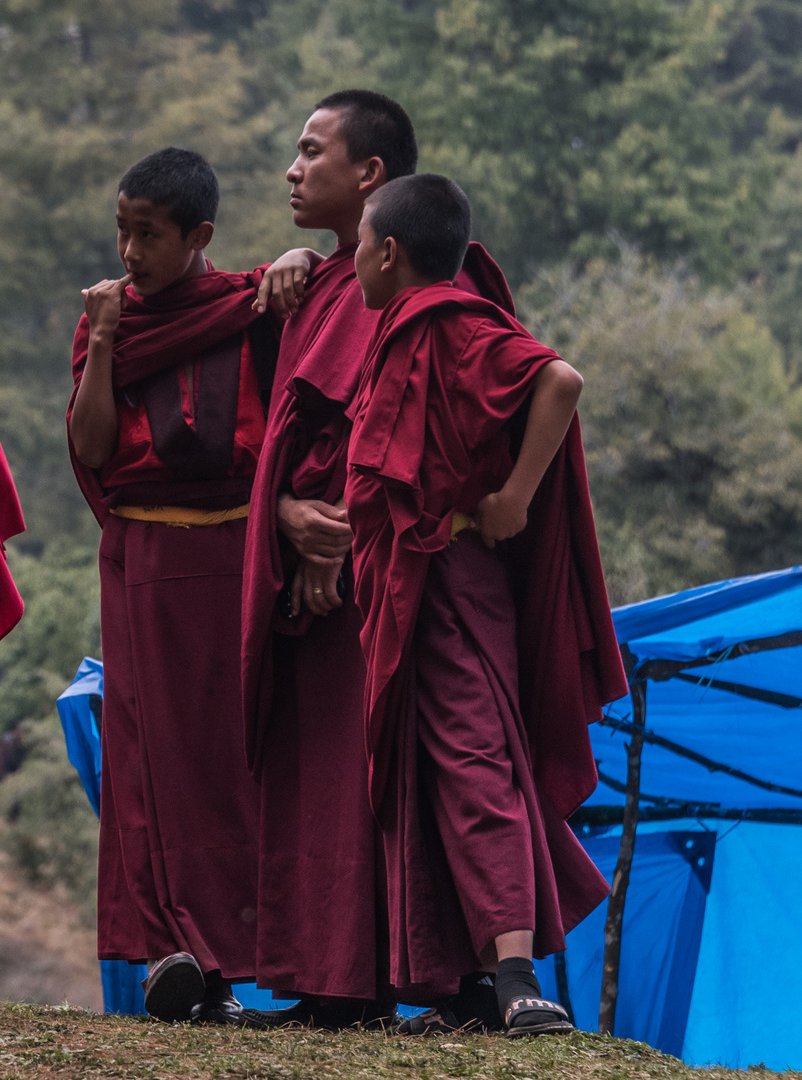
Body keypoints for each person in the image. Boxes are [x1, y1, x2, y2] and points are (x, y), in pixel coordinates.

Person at [237, 90, 517, 1030]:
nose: (291, 168)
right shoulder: (323, 281)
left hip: (388, 570)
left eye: (312, 151)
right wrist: (284, 511)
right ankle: (330, 981)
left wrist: (345, 535)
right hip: (316, 561)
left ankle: (436, 978)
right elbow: (286, 429)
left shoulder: (432, 288)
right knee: (319, 768)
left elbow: (412, 427)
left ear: (370, 179)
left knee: (391, 770)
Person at [344, 174, 626, 1036]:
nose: (352, 256)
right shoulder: (399, 330)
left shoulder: (454, 323)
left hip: (453, 574)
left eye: (359, 240)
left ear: (390, 253)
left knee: (475, 763)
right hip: (405, 584)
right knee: (424, 774)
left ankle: (515, 973)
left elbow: (561, 380)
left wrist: (514, 495)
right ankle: (461, 980)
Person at [67, 147, 275, 1024]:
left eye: (148, 235)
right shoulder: (109, 322)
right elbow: (89, 448)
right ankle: (173, 957)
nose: (128, 253)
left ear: (200, 238)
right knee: (152, 759)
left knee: (234, 760)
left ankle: (245, 959)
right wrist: (108, 340)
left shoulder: (248, 306)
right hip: (148, 561)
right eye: (121, 230)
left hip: (239, 559)